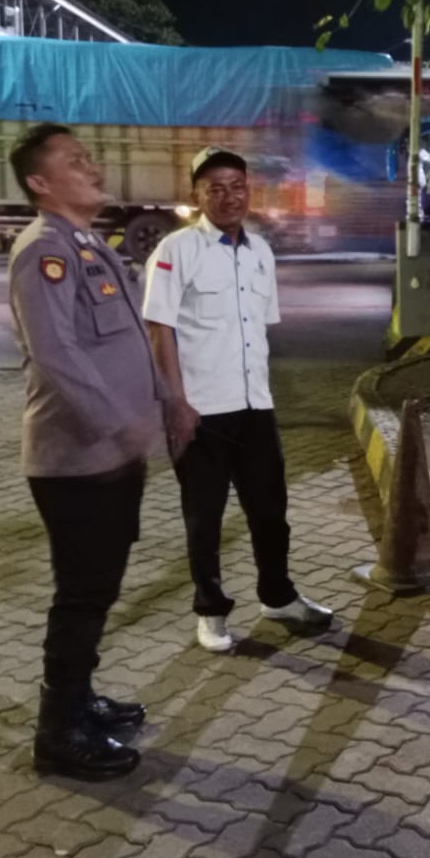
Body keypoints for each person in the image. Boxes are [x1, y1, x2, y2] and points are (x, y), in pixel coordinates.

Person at [8, 123, 164, 781]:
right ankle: (58, 732)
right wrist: (117, 424)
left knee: (99, 586)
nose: (92, 168)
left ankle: (79, 699)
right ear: (40, 183)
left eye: (89, 158)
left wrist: (162, 404)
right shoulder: (42, 251)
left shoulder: (91, 245)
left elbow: (129, 342)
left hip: (114, 453)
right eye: (74, 161)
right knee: (81, 591)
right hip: (76, 458)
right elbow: (56, 353)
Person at [142, 146, 333, 653]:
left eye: (237, 186)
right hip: (200, 410)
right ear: (196, 196)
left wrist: (266, 399)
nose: (229, 197)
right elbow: (159, 328)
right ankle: (210, 610)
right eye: (216, 188)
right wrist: (176, 403)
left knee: (270, 512)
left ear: (250, 191)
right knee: (204, 519)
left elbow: (258, 331)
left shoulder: (260, 252)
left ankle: (278, 596)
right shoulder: (176, 250)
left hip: (255, 409)